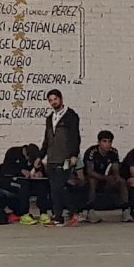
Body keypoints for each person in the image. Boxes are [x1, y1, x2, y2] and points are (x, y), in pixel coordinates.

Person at [41, 88, 83, 227]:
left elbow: (75, 137)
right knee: (56, 187)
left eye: (55, 99)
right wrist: (41, 155)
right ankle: (66, 214)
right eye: (50, 100)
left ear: (61, 99)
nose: (53, 102)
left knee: (59, 186)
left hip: (65, 158)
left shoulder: (71, 116)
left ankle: (65, 214)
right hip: (52, 158)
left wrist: (73, 155)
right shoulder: (49, 118)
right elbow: (47, 139)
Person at [82, 131, 126, 216]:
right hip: (91, 177)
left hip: (105, 178)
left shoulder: (113, 152)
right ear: (99, 142)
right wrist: (105, 178)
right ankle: (90, 210)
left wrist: (116, 178)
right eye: (104, 141)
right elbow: (89, 171)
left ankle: (126, 209)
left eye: (109, 142)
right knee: (92, 181)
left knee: (122, 181)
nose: (107, 144)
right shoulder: (92, 152)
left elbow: (115, 169)